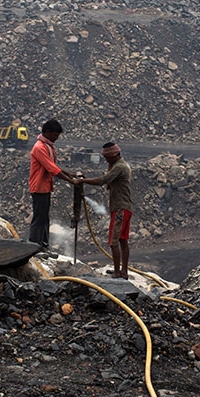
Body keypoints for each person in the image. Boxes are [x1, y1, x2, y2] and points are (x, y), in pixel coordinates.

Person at [75, 142, 133, 279]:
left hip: (120, 208)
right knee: (123, 241)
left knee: (114, 242)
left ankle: (118, 272)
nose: (106, 160)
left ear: (115, 155)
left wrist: (82, 181)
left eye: (108, 157)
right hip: (125, 207)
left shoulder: (119, 167)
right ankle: (123, 271)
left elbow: (102, 180)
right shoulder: (119, 165)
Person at [28, 118, 76, 249]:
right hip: (39, 187)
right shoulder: (40, 148)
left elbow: (53, 165)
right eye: (55, 135)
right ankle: (34, 245)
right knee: (39, 218)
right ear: (48, 132)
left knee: (44, 217)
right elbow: (52, 168)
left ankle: (43, 244)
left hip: (44, 187)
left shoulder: (47, 146)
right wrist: (70, 180)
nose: (56, 138)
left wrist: (68, 174)